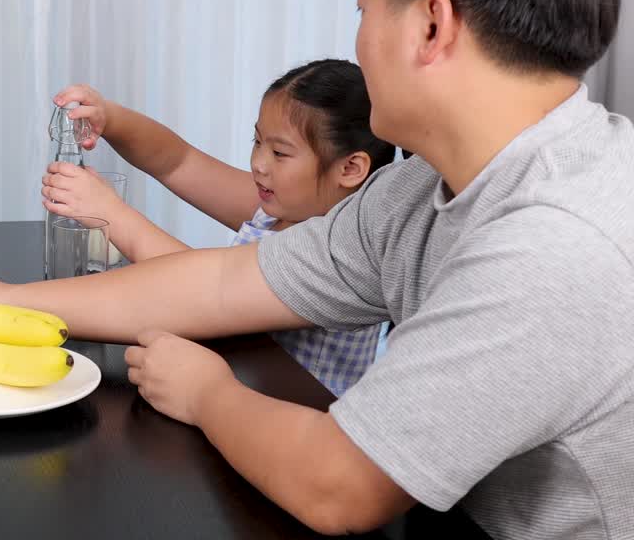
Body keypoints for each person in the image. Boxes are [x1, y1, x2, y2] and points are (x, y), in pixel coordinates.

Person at [0, 0, 633, 539]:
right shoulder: (422, 182)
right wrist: (3, 300)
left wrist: (209, 393)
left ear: (432, 25)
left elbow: (340, 488)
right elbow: (226, 282)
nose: (359, 38)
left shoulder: (555, 243)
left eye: (365, 10)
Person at [43, 59, 395, 395]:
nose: (259, 163)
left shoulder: (335, 256)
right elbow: (177, 161)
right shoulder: (280, 208)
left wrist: (110, 212)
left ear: (349, 169)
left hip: (289, 422)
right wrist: (112, 118)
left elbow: (199, 294)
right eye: (257, 142)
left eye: (280, 154)